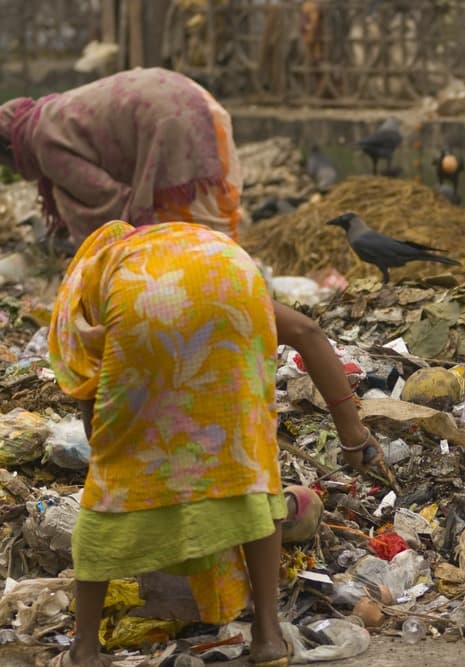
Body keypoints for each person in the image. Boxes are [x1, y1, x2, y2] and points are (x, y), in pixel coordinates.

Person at [47, 221, 380, 667]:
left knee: (110, 482)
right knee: (249, 463)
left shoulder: (86, 286)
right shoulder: (193, 254)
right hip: (231, 277)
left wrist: (119, 468)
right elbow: (309, 334)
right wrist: (353, 435)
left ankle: (84, 650)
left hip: (140, 303)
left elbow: (92, 403)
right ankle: (267, 638)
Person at [0, 67, 245, 246]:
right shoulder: (51, 113)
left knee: (176, 235)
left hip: (165, 118)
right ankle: (233, 275)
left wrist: (105, 251)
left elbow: (107, 201)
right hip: (194, 98)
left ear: (11, 150)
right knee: (207, 211)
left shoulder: (44, 139)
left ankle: (206, 283)